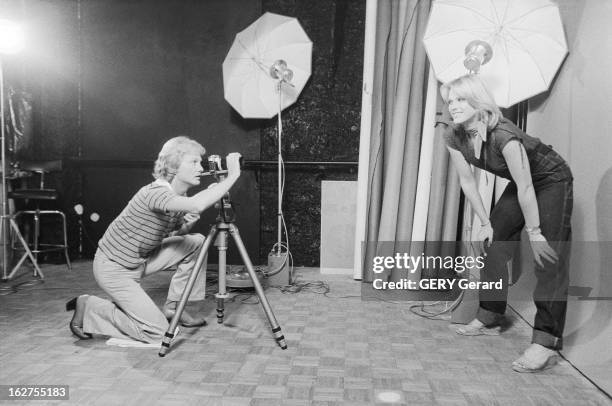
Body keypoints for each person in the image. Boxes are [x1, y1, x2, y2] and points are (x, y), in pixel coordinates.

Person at [440, 75, 573, 373]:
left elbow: (527, 187)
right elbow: (466, 181)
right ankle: (490, 313)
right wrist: (486, 222)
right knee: (493, 244)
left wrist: (535, 233)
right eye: (450, 101)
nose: (453, 106)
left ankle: (545, 340)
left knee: (549, 256)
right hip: (522, 183)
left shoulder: (504, 135)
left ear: (478, 101)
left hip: (550, 179)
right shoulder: (453, 136)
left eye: (461, 99)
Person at [66, 136, 242, 343]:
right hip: (114, 268)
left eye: (200, 162)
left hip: (140, 261)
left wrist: (192, 217)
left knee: (196, 243)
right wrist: (234, 175)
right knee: (158, 333)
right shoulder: (155, 193)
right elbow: (196, 205)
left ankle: (174, 308)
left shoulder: (177, 199)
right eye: (193, 162)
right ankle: (89, 307)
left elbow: (174, 232)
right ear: (174, 166)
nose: (199, 167)